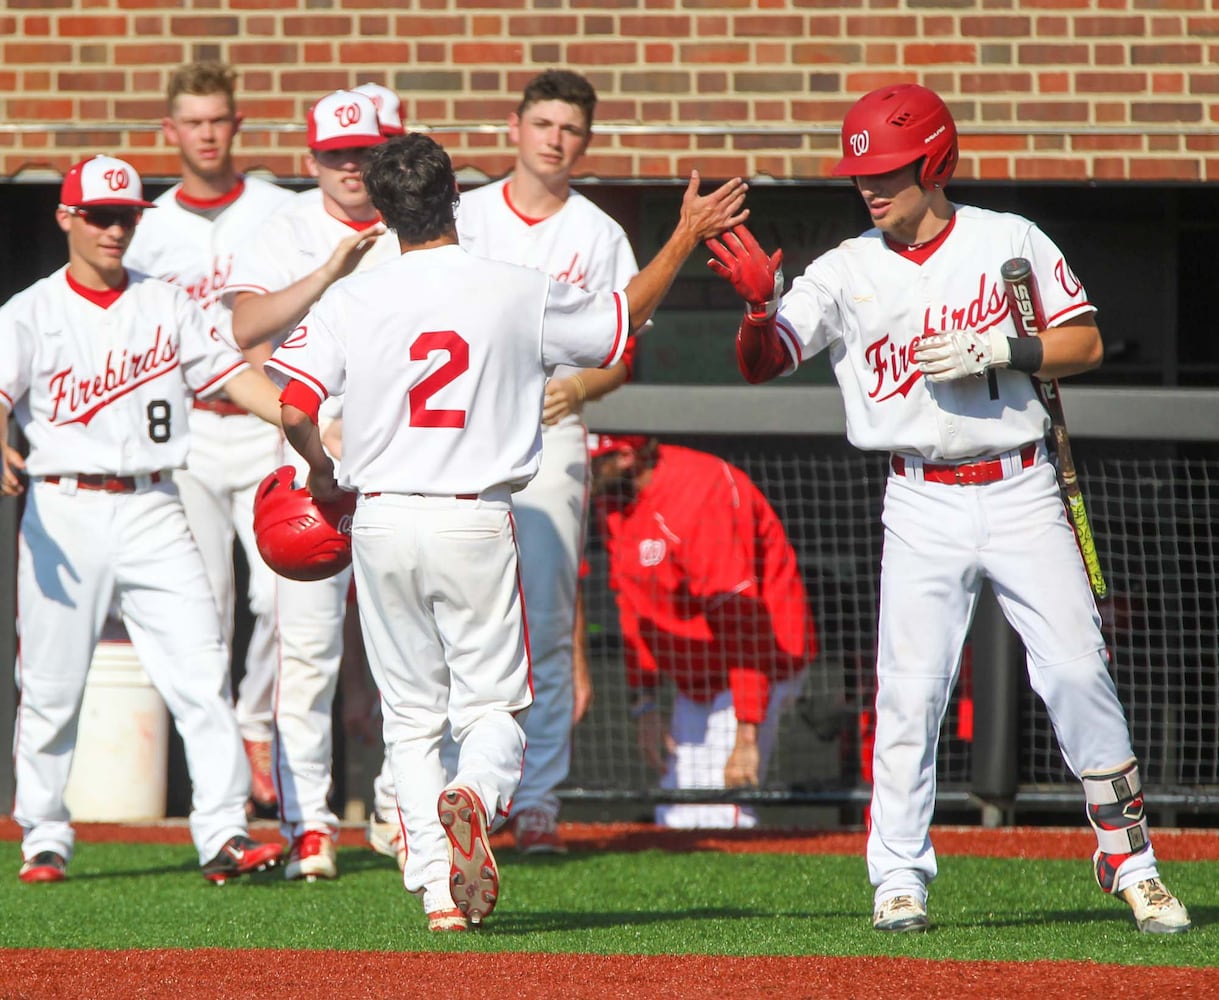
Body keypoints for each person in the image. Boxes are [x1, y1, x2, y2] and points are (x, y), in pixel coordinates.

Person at [705, 83, 1191, 935]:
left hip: (1019, 482)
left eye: (889, 169)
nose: (870, 185)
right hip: (918, 497)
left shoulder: (1008, 240)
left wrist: (1000, 346)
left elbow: (1084, 342)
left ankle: (1128, 855)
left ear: (935, 163)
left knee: (1077, 671)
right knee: (908, 694)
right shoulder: (844, 267)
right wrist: (753, 307)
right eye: (861, 172)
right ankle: (897, 875)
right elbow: (764, 360)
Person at [263, 132, 746, 929]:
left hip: (380, 514)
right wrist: (684, 237)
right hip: (473, 515)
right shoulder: (512, 286)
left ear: (382, 214)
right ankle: (477, 796)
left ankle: (434, 889)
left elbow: (293, 405)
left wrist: (320, 472)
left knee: (411, 717)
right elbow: (621, 328)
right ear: (455, 197)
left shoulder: (354, 297)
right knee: (492, 706)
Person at [0, 154, 285, 885]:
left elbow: (230, 378)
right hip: (63, 504)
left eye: (125, 216)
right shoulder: (29, 311)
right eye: (98, 215)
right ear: (65, 217)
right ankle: (43, 831)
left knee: (199, 668)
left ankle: (223, 831)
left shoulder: (166, 302)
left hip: (155, 501)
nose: (113, 230)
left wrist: (304, 423)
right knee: (54, 682)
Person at [455, 68, 640, 853]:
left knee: (550, 620)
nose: (555, 140)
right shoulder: (463, 216)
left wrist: (581, 389)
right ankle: (448, 790)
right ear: (515, 127)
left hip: (550, 432)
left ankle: (536, 802)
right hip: (461, 435)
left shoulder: (598, 234)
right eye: (543, 124)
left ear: (584, 141)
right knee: (458, 620)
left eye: (570, 129)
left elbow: (623, 351)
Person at [223, 88, 399, 883]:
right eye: (336, 153)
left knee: (410, 649)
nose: (350, 166)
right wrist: (329, 271)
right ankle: (310, 825)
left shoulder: (418, 220)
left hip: (401, 456)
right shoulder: (285, 226)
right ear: (311, 158)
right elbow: (245, 333)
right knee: (308, 651)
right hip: (308, 454)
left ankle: (401, 809)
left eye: (363, 150)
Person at [124, 61, 296, 815]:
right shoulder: (145, 226)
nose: (205, 132)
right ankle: (218, 765)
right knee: (205, 607)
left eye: (217, 119)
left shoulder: (275, 210)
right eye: (191, 121)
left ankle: (256, 723)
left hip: (263, 422)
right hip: (188, 432)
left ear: (237, 125)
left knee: (284, 593)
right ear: (170, 131)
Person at [587, 433, 816, 828]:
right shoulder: (613, 499)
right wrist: (645, 704)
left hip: (756, 662)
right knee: (675, 813)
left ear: (625, 458)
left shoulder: (699, 492)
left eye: (588, 461)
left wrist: (746, 734)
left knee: (722, 811)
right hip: (694, 675)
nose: (579, 472)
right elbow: (630, 605)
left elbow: (743, 622)